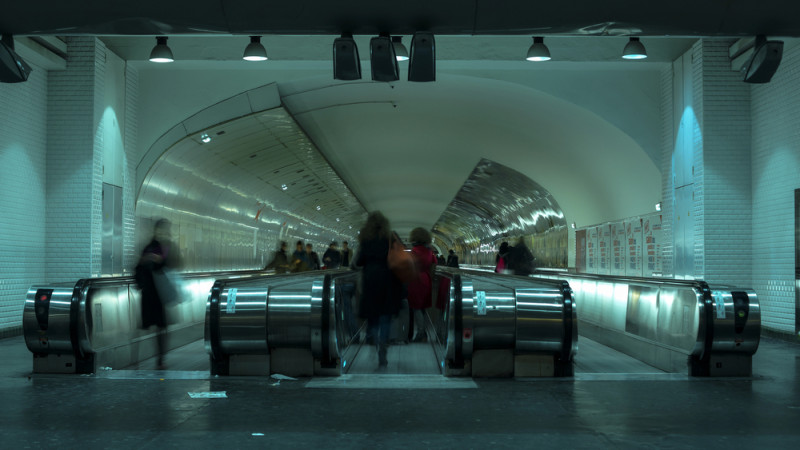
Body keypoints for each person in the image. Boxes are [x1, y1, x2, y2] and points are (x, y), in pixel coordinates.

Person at [355, 211, 403, 368]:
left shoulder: (365, 239)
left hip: (370, 281)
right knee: (385, 317)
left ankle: (375, 342)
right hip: (388, 281)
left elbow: (359, 261)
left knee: (373, 317)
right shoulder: (390, 238)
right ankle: (383, 346)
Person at [134, 218, 181, 370]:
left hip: (160, 294)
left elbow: (175, 264)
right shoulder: (151, 248)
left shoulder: (168, 247)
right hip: (151, 294)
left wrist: (159, 260)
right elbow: (139, 268)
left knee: (161, 326)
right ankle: (157, 359)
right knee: (159, 326)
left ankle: (160, 358)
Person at [407, 227, 437, 342]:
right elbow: (434, 263)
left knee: (416, 308)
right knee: (422, 308)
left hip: (416, 280)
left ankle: (421, 333)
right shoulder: (429, 251)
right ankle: (423, 332)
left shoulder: (414, 251)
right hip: (426, 279)